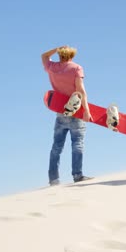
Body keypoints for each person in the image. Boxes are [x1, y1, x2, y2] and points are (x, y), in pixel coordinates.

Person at [41, 46, 93, 186]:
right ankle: (77, 175)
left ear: (60, 55)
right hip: (76, 112)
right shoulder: (76, 68)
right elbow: (81, 91)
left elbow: (44, 56)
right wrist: (87, 111)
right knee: (77, 143)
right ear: (72, 55)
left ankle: (53, 179)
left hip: (60, 112)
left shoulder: (52, 67)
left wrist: (55, 49)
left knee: (57, 146)